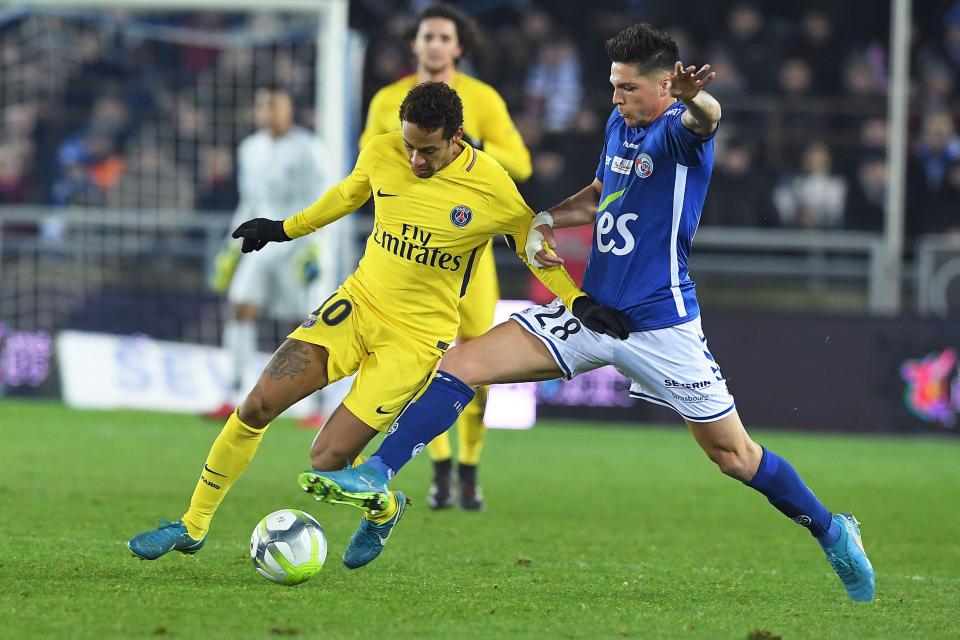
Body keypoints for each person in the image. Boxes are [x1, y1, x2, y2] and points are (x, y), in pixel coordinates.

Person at [301, 24, 876, 604]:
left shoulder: (679, 131)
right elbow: (604, 192)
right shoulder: (617, 126)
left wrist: (695, 97)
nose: (616, 98)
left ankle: (833, 530)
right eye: (612, 86)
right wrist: (545, 220)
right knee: (460, 364)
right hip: (591, 312)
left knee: (735, 457)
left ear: (664, 88)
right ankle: (378, 479)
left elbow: (709, 117)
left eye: (627, 88)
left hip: (660, 324)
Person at [127, 81, 629, 563]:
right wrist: (281, 229)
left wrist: (577, 302)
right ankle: (192, 526)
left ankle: (385, 509)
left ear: (457, 138)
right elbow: (345, 196)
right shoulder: (384, 151)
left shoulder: (492, 185)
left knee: (326, 461)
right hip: (357, 305)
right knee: (257, 405)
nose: (414, 159)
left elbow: (534, 249)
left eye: (427, 151)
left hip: (413, 340)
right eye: (410, 145)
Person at [360, 4, 533, 511]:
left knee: (478, 362)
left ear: (458, 47)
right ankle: (435, 466)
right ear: (414, 45)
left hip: (468, 260)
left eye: (443, 37)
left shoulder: (481, 99)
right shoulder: (387, 101)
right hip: (409, 256)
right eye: (426, 36)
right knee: (419, 362)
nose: (434, 44)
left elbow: (519, 161)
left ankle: (470, 468)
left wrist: (474, 150)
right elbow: (368, 162)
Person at [206, 85, 326, 425]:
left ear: (289, 110)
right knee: (240, 306)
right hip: (260, 245)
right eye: (263, 107)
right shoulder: (250, 149)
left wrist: (317, 247)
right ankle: (231, 394)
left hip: (298, 245)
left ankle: (312, 406)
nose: (269, 113)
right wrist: (230, 249)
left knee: (301, 324)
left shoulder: (309, 149)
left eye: (276, 106)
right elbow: (249, 202)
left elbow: (327, 198)